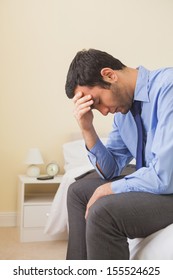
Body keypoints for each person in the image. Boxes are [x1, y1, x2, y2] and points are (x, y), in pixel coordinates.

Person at [65, 48, 173, 260]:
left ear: (110, 75)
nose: (104, 111)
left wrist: (111, 189)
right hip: (157, 180)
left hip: (169, 183)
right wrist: (87, 128)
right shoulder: (123, 113)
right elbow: (111, 169)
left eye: (97, 102)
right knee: (77, 192)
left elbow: (165, 175)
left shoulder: (168, 87)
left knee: (103, 211)